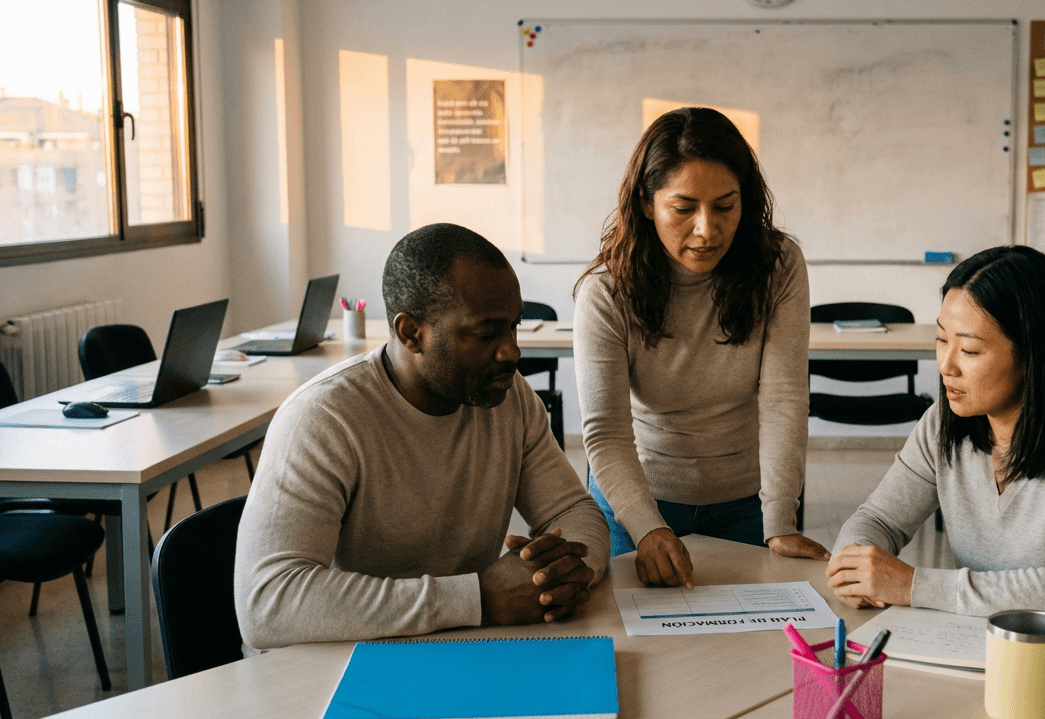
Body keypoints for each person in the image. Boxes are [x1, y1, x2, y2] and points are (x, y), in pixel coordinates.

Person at [235, 223, 610, 650]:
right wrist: (479, 599)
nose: (512, 352)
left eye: (514, 326)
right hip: (339, 664)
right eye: (487, 334)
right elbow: (267, 604)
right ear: (412, 332)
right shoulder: (323, 418)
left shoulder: (509, 398)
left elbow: (575, 511)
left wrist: (559, 577)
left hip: (462, 649)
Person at [574, 107, 829, 590]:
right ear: (647, 203)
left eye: (726, 206)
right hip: (638, 501)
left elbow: (783, 400)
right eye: (684, 208)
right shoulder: (606, 291)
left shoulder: (778, 265)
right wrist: (647, 527)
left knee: (750, 650)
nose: (707, 230)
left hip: (745, 501)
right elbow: (606, 432)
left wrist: (779, 519)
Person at [826, 245, 1045, 627]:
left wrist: (912, 585)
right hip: (987, 643)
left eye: (970, 350)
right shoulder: (943, 423)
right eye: (942, 340)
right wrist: (853, 565)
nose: (946, 366)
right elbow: (878, 518)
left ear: (1032, 353)